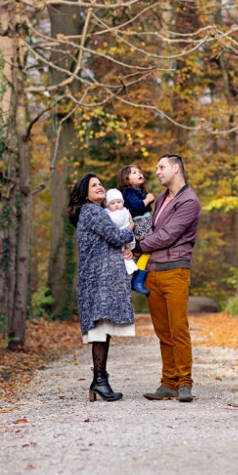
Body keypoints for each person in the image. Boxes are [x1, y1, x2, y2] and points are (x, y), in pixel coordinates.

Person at [136, 154, 201, 403]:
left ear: (175, 169)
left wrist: (138, 246)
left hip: (175, 271)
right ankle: (168, 383)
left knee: (178, 329)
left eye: (161, 167)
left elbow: (167, 235)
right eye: (156, 168)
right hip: (153, 272)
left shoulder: (189, 200)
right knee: (163, 331)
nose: (157, 171)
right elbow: (152, 229)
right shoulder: (162, 198)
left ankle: (184, 382)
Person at [68, 174, 136, 402]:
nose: (99, 187)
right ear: (84, 193)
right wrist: (131, 228)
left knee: (102, 330)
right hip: (98, 281)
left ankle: (100, 379)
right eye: (93, 185)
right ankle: (99, 380)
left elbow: (109, 242)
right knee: (100, 331)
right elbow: (116, 236)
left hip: (95, 279)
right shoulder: (92, 211)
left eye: (100, 184)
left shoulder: (94, 212)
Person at [118, 164, 155, 295]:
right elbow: (138, 206)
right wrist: (148, 199)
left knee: (147, 253)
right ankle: (137, 280)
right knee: (147, 250)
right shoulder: (129, 193)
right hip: (140, 228)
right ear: (127, 179)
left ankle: (137, 278)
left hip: (144, 227)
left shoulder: (139, 192)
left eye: (139, 172)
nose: (139, 174)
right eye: (134, 173)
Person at [104, 188, 137, 279]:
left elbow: (124, 222)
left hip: (126, 236)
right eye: (112, 203)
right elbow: (117, 222)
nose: (116, 205)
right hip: (118, 237)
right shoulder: (107, 213)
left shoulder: (125, 211)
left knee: (126, 256)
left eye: (119, 202)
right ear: (108, 205)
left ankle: (129, 273)